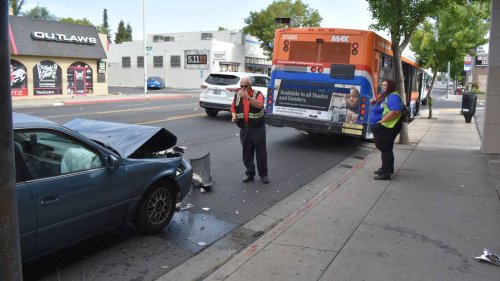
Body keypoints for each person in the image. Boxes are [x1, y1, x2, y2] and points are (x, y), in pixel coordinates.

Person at [231, 77, 269, 184]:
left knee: (261, 153)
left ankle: (263, 174)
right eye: (241, 86)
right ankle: (250, 173)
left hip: (257, 128)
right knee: (247, 153)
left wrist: (248, 97)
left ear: (250, 86)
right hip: (245, 129)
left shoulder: (258, 94)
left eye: (245, 86)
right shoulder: (237, 96)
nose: (243, 88)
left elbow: (260, 105)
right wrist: (234, 116)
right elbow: (233, 109)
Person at [369, 79, 403, 180]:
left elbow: (395, 111)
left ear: (391, 86)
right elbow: (383, 108)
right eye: (382, 85)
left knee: (385, 149)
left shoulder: (393, 96)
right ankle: (386, 168)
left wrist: (382, 121)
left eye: (385, 85)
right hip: (386, 126)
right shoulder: (387, 95)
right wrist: (374, 103)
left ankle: (386, 174)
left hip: (388, 127)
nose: (382, 86)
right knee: (386, 149)